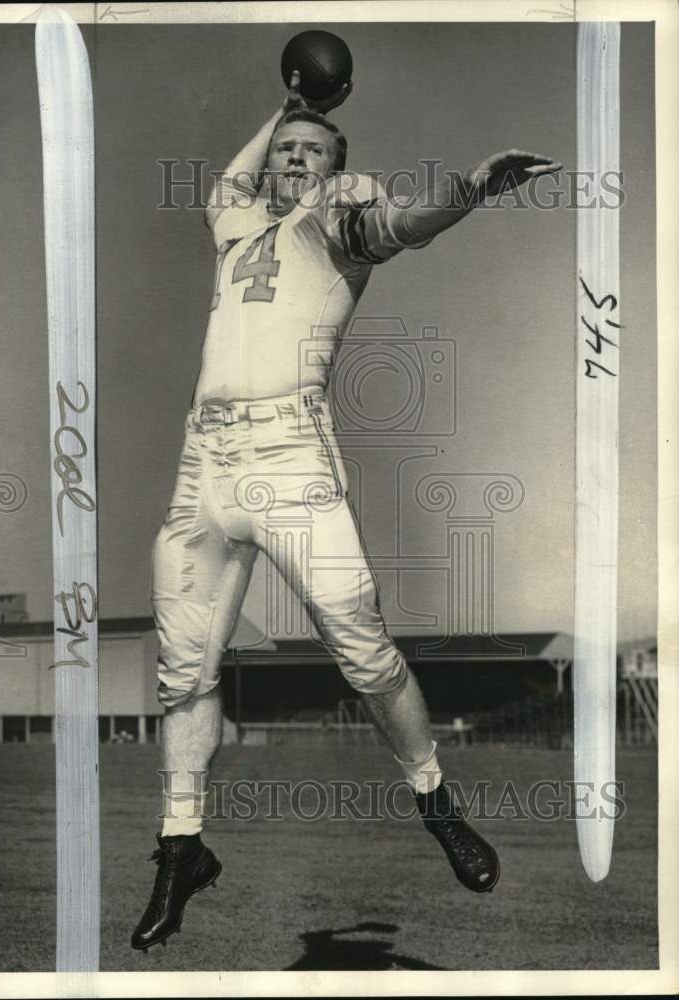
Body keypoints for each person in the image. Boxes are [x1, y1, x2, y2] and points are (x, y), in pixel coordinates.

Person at [131, 71, 561, 952]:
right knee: (183, 671)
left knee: (360, 647)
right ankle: (182, 847)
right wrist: (287, 109)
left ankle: (436, 802)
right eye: (286, 150)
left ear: (336, 168)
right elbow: (225, 186)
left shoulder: (339, 213)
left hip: (290, 449)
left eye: (313, 151)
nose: (294, 158)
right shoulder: (240, 225)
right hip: (204, 457)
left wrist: (471, 189)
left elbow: (404, 226)